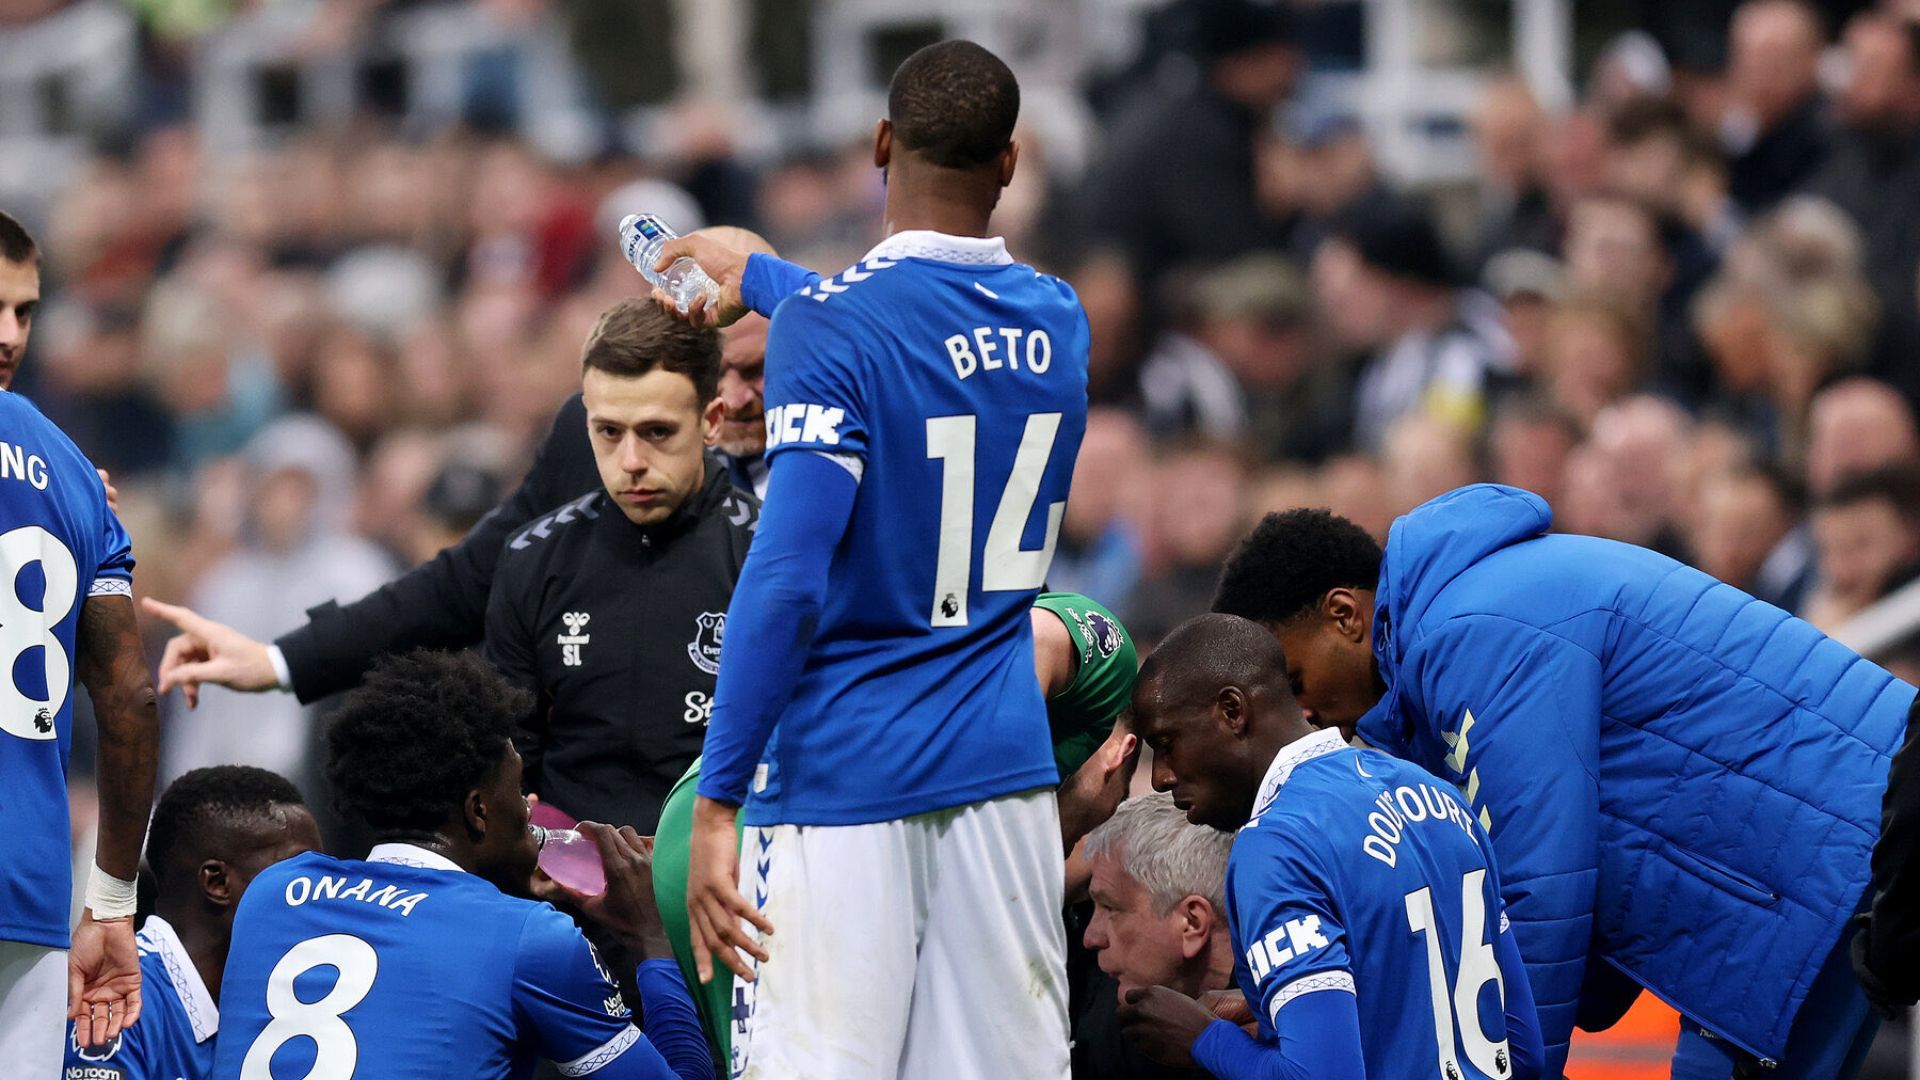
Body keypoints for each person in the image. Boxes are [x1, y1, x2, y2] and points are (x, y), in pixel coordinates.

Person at [655, 40, 1090, 1078]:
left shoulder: (830, 329)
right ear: (1011, 163)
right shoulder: (1059, 321)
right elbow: (922, 340)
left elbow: (789, 574)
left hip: (848, 778)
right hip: (1003, 776)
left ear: (881, 146)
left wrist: (718, 804)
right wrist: (765, 277)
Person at [1212, 491, 1913, 1076]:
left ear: (1344, 614)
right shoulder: (1459, 632)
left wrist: (1514, 1068)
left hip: (1828, 861)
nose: (1302, 716)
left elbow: (1542, 883)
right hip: (1797, 881)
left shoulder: (1472, 628)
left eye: (1295, 683)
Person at [142, 228, 777, 707]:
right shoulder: (590, 443)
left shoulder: (854, 457)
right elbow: (463, 582)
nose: (741, 395)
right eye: (723, 371)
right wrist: (279, 659)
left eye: (761, 370)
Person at [649, 591, 1141, 1070]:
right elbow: (1035, 638)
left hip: (726, 812)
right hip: (793, 811)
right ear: (1125, 753)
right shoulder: (1100, 660)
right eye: (1118, 801)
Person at [212, 650, 714, 1079]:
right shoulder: (532, 938)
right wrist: (652, 939)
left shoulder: (272, 893)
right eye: (518, 790)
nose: (529, 806)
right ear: (478, 810)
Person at [1117, 614, 1542, 1079]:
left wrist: (1202, 1038)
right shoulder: (1440, 798)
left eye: (1166, 742)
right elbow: (1523, 1049)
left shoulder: (1277, 845)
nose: (1160, 777)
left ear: (1232, 712)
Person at [485, 299, 755, 834]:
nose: (631, 461)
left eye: (657, 432)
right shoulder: (531, 562)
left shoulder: (768, 557)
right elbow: (512, 766)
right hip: (567, 896)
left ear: (711, 421)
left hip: (726, 882)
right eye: (609, 432)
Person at [0, 209, 159, 1072]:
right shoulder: (68, 467)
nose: (9, 335)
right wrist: (110, 901)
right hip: (30, 891)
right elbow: (130, 697)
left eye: (25, 311)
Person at [61, 766, 322, 1080]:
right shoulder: (116, 1004)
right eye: (301, 872)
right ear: (217, 883)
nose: (318, 891)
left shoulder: (294, 1001)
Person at [1077, 792, 1236, 1080]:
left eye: (1111, 908)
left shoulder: (1291, 1034)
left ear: (1191, 922)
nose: (1091, 937)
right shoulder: (1098, 1015)